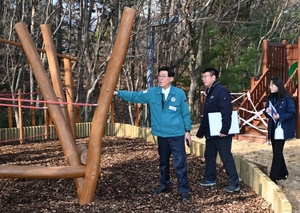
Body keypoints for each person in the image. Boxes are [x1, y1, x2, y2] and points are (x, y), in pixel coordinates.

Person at [114, 66, 192, 202]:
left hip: (176, 134)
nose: (160, 78)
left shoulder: (179, 94)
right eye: (159, 76)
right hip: (161, 134)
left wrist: (187, 131)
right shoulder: (152, 92)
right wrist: (118, 93)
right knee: (163, 162)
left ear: (171, 79)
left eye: (163, 76)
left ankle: (184, 189)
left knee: (179, 163)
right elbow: (135, 96)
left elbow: (185, 113)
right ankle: (165, 184)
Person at [196, 67, 240, 193]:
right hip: (211, 131)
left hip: (221, 132)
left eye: (206, 76)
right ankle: (210, 178)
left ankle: (234, 183)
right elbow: (207, 113)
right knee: (209, 154)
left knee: (226, 157)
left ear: (213, 77)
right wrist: (201, 131)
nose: (203, 79)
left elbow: (226, 111)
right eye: (203, 77)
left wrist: (225, 129)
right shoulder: (209, 90)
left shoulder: (221, 91)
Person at [264, 77, 296, 184]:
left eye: (273, 85)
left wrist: (280, 116)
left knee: (277, 152)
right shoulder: (270, 98)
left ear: (278, 85)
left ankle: (273, 177)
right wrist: (267, 111)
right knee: (276, 151)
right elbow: (266, 112)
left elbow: (292, 113)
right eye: (270, 85)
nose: (270, 87)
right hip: (273, 128)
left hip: (282, 129)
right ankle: (283, 172)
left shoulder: (287, 99)